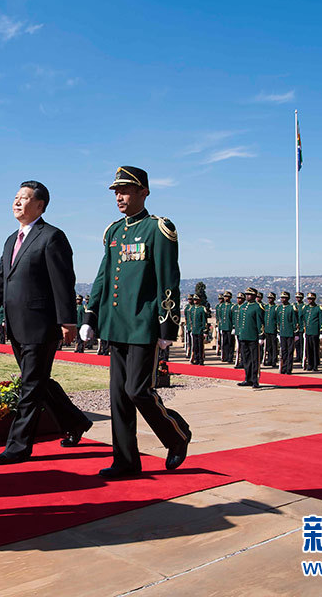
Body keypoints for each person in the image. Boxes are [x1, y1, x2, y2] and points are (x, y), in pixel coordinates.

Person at [80, 166, 190, 478]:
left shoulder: (159, 229)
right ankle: (125, 461)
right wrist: (90, 315)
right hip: (116, 326)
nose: (119, 196)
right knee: (119, 398)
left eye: (126, 190)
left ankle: (177, 435)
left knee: (138, 391)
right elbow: (103, 276)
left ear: (144, 192)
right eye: (116, 191)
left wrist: (167, 326)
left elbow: (168, 278)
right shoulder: (114, 232)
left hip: (143, 326)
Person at [0, 180, 92, 464]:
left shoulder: (52, 236)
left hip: (41, 325)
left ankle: (18, 446)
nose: (17, 202)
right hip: (16, 324)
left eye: (24, 198)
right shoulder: (10, 240)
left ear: (39, 205)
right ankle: (75, 422)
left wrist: (68, 321)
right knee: (39, 382)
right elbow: (0, 278)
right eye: (15, 197)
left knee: (30, 386)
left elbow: (64, 281)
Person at [236, 288, 264, 387]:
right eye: (247, 294)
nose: (248, 296)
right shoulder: (243, 307)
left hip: (253, 337)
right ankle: (248, 379)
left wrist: (261, 336)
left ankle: (255, 380)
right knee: (246, 359)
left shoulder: (257, 307)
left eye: (250, 295)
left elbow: (259, 323)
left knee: (254, 359)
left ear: (254, 296)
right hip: (243, 337)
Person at [276, 291, 299, 374]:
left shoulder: (291, 308)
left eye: (284, 298)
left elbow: (294, 321)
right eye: (282, 298)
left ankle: (289, 368)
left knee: (290, 351)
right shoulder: (279, 308)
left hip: (290, 333)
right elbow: (278, 321)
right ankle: (283, 367)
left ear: (288, 298)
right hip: (282, 333)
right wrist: (278, 331)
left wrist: (296, 333)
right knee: (283, 351)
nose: (283, 299)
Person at [302, 292, 322, 371]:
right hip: (308, 331)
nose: (309, 300)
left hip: (315, 331)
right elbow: (304, 319)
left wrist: (321, 332)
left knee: (315, 349)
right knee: (309, 349)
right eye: (308, 299)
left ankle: (315, 364)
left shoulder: (318, 308)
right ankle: (310, 364)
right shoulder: (306, 308)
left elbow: (321, 321)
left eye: (311, 299)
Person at [188, 294, 208, 365]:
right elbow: (190, 320)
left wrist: (205, 330)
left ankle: (201, 360)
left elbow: (204, 320)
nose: (195, 301)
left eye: (196, 300)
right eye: (194, 300)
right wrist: (191, 328)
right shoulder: (192, 309)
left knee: (200, 346)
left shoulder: (202, 309)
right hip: (194, 330)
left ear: (199, 300)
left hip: (200, 330)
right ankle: (196, 359)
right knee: (195, 345)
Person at [217, 291, 234, 362]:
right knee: (224, 343)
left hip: (229, 327)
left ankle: (230, 357)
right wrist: (219, 326)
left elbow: (233, 318)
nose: (225, 298)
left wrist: (233, 327)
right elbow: (219, 317)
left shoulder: (232, 306)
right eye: (225, 296)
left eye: (227, 297)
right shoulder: (221, 306)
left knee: (230, 343)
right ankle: (225, 356)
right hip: (223, 327)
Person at [262, 292, 278, 367]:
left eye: (271, 298)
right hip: (267, 329)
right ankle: (269, 359)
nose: (269, 300)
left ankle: (274, 360)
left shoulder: (276, 308)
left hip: (273, 329)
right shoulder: (266, 307)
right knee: (269, 346)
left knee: (274, 346)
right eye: (268, 298)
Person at [232, 292, 245, 369]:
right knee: (239, 347)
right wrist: (234, 327)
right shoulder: (235, 307)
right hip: (237, 330)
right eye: (237, 298)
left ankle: (243, 362)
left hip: (243, 331)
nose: (238, 300)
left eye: (240, 298)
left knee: (244, 348)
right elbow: (234, 318)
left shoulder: (244, 307)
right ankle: (239, 362)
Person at [294, 292, 306, 364]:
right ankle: (298, 356)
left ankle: (302, 356)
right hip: (295, 328)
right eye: (297, 297)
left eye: (299, 297)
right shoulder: (294, 306)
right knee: (297, 343)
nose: (298, 298)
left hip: (301, 327)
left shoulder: (304, 306)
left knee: (302, 343)